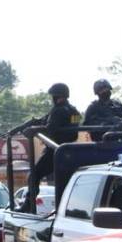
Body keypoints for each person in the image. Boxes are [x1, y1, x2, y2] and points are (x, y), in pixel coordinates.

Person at [21, 83, 81, 212]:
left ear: (57, 96)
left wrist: (35, 130)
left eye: (53, 96)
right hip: (69, 150)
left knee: (34, 175)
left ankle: (29, 204)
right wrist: (36, 122)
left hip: (54, 150)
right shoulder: (74, 111)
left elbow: (51, 128)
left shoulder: (57, 110)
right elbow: (73, 127)